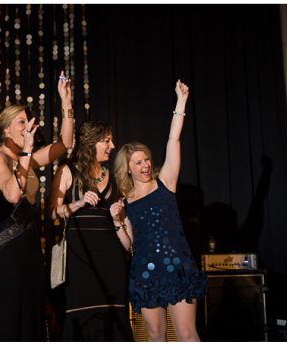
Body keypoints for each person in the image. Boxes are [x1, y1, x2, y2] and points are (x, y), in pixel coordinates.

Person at [0, 71, 75, 341]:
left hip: (31, 247)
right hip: (6, 248)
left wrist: (65, 101)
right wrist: (25, 153)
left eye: (29, 121)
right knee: (9, 317)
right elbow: (12, 194)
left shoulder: (28, 159)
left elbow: (65, 144)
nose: (28, 126)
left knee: (32, 316)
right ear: (6, 129)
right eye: (21, 122)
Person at [112, 80, 207, 342]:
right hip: (144, 271)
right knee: (154, 335)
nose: (145, 164)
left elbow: (173, 138)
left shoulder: (165, 181)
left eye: (147, 159)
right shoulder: (127, 199)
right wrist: (117, 221)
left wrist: (181, 101)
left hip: (177, 266)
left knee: (186, 333)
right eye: (138, 161)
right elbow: (127, 243)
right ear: (127, 167)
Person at [47, 120, 132, 341]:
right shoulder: (67, 171)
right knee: (81, 317)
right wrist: (77, 204)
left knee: (115, 318)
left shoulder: (113, 178)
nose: (112, 146)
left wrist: (118, 217)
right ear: (91, 143)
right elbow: (52, 213)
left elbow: (123, 226)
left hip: (112, 258)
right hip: (80, 257)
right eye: (107, 141)